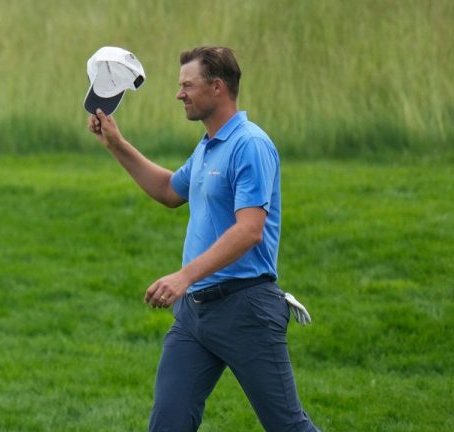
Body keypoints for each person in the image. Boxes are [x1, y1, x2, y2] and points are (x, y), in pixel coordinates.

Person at [87, 46, 319, 432]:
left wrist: (183, 277)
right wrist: (116, 143)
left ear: (217, 88)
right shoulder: (208, 146)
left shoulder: (250, 145)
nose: (179, 94)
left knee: (287, 425)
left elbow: (249, 229)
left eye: (187, 86)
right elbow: (168, 190)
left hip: (247, 310)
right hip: (195, 316)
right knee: (168, 424)